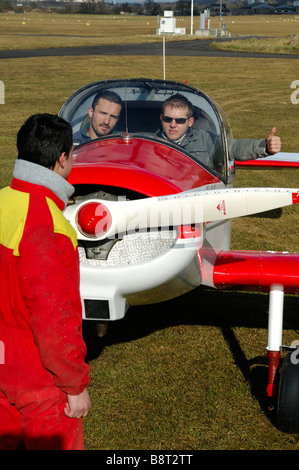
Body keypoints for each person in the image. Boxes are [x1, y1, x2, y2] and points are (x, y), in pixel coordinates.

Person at [0, 113, 91, 450]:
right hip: (37, 374)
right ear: (62, 158)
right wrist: (74, 385)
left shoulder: (2, 202)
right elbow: (55, 318)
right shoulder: (50, 227)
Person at [156, 93, 281, 168]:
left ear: (190, 122)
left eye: (180, 120)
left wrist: (265, 147)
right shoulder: (146, 141)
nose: (173, 125)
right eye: (168, 119)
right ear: (161, 118)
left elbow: (233, 148)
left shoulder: (206, 140)